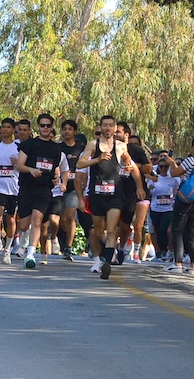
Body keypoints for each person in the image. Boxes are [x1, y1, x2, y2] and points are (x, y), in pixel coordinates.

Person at [76, 115, 141, 279]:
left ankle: (106, 263)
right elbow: (79, 164)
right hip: (97, 193)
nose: (108, 128)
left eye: (111, 126)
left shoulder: (120, 146)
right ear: (101, 127)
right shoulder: (93, 145)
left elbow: (130, 164)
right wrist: (97, 159)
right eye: (105, 125)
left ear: (114, 128)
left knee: (112, 230)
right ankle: (99, 258)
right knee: (98, 232)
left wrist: (137, 181)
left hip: (115, 193)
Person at [14, 114, 63, 269]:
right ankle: (23, 243)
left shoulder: (56, 148)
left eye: (48, 126)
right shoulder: (29, 144)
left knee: (37, 220)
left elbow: (55, 168)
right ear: (38, 127)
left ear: (52, 127)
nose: (45, 128)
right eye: (43, 125)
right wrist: (31, 170)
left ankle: (30, 254)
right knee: (23, 225)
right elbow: (19, 165)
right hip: (27, 187)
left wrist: (56, 179)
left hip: (44, 189)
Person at [165, 137, 194, 275]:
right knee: (193, 232)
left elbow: (175, 173)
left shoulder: (191, 160)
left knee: (177, 230)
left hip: (184, 198)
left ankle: (177, 263)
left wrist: (172, 163)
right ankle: (193, 266)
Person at [114, 122, 151, 263]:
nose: (115, 134)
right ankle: (115, 248)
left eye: (118, 131)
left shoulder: (135, 150)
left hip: (133, 191)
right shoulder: (110, 148)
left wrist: (135, 166)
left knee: (132, 225)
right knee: (116, 224)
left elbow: (148, 167)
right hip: (115, 189)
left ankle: (128, 250)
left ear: (126, 134)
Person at [0, 118, 19, 264]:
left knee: (11, 218)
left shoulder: (18, 147)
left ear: (13, 130)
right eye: (3, 127)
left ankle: (7, 249)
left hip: (13, 187)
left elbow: (23, 165)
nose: (5, 130)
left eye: (8, 127)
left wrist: (17, 164)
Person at [58, 119, 85, 261]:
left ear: (75, 132)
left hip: (75, 188)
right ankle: (61, 239)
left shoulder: (81, 148)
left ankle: (68, 246)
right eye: (64, 129)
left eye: (70, 129)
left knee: (70, 216)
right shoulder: (57, 148)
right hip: (60, 187)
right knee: (60, 220)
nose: (67, 131)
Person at [146, 156, 179, 262]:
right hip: (155, 208)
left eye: (166, 166)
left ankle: (167, 251)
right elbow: (150, 192)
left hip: (168, 209)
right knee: (156, 230)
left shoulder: (172, 179)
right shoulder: (153, 179)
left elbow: (175, 192)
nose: (164, 168)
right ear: (158, 168)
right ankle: (160, 252)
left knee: (164, 230)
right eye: (161, 167)